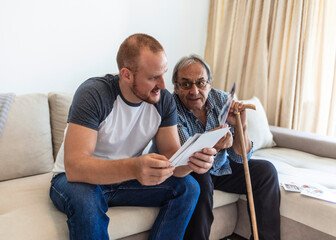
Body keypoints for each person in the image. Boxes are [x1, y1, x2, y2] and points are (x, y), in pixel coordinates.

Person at [49, 34, 216, 240]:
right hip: (74, 179)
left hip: (124, 179)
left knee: (189, 187)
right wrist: (134, 168)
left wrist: (193, 161)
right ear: (126, 75)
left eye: (163, 74)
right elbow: (75, 167)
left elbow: (173, 158)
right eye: (154, 77)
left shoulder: (163, 101)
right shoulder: (94, 93)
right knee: (87, 201)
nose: (163, 85)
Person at [172, 54, 281, 240]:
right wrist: (214, 145)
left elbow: (241, 158)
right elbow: (185, 157)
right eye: (186, 84)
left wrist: (241, 126)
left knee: (266, 171)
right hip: (187, 171)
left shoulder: (223, 100)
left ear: (210, 83)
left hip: (220, 169)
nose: (194, 90)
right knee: (201, 177)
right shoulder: (171, 107)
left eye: (201, 83)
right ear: (176, 87)